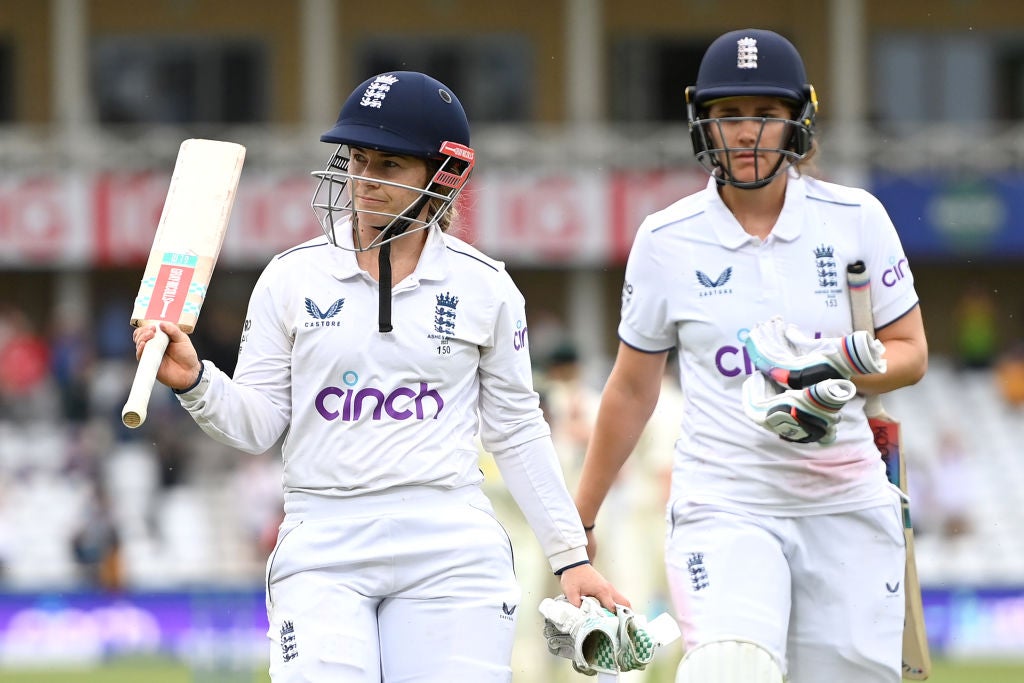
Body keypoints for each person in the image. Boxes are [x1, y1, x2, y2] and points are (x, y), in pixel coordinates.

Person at [131, 70, 627, 682]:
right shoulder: (290, 278)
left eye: (389, 165)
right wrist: (197, 382)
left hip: (449, 539)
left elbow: (517, 431)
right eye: (356, 159)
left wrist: (570, 558)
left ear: (443, 177)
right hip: (324, 537)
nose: (363, 182)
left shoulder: (486, 287)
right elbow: (259, 426)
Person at [573, 29, 928, 683]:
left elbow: (911, 352)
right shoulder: (666, 239)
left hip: (843, 500)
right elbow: (631, 389)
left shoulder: (856, 217)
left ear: (798, 118)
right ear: (702, 120)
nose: (745, 131)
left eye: (765, 114)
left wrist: (830, 369)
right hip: (723, 501)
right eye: (729, 113)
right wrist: (581, 518)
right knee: (729, 668)